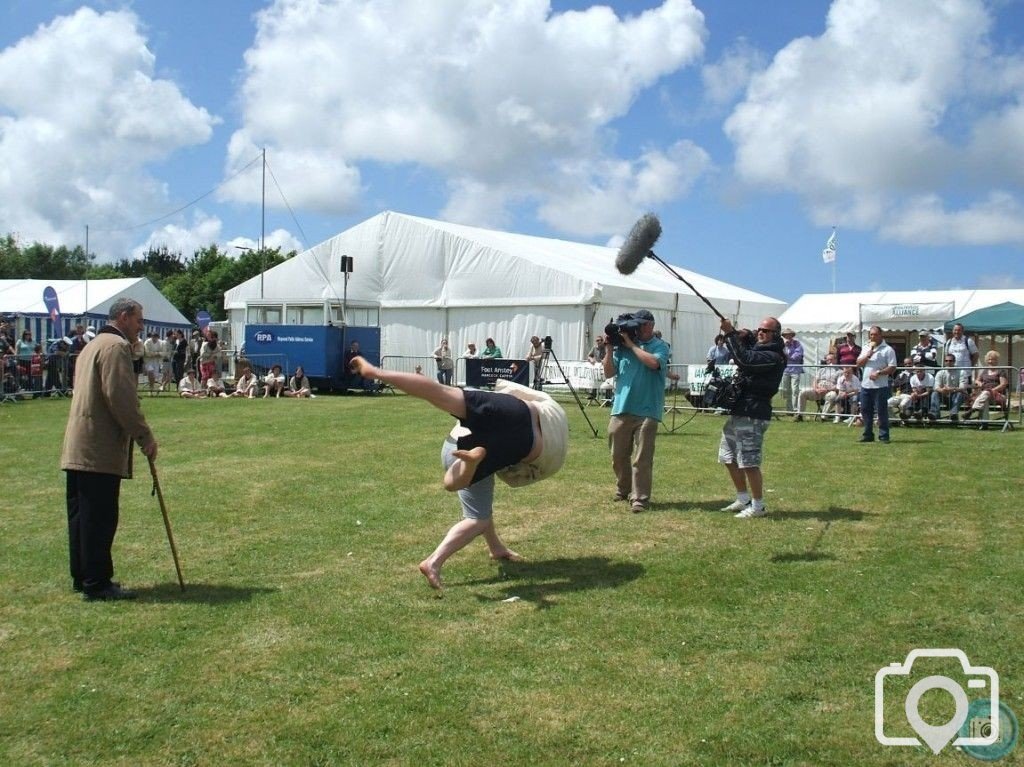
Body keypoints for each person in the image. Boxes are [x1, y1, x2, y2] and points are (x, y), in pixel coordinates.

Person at [347, 355, 568, 593]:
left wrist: (377, 373)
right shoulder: (538, 447)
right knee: (477, 518)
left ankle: (495, 546)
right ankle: (433, 561)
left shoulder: (512, 406)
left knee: (439, 392)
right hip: (512, 444)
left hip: (467, 438)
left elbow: (433, 391)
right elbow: (452, 485)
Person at [60, 298, 158, 601]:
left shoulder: (92, 345)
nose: (141, 327)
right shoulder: (115, 347)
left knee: (81, 516)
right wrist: (144, 435)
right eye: (139, 320)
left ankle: (84, 576)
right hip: (98, 447)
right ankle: (98, 582)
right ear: (125, 317)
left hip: (79, 444)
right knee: (99, 516)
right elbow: (121, 398)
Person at [602, 309, 670, 513]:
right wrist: (609, 349)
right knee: (617, 454)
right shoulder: (622, 347)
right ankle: (623, 489)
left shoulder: (659, 346)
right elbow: (609, 372)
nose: (636, 329)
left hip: (647, 409)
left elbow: (653, 363)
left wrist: (632, 345)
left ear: (650, 325)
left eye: (640, 325)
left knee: (642, 458)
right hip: (622, 407)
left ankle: (639, 498)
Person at [717, 317, 786, 519]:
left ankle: (758, 506)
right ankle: (743, 498)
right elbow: (747, 347)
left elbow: (745, 359)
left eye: (766, 330)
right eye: (759, 330)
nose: (761, 333)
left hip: (754, 413)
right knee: (728, 456)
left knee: (749, 461)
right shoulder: (760, 347)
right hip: (740, 409)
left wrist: (730, 334)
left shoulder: (773, 355)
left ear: (776, 334)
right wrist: (742, 334)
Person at [856, 326, 898, 443]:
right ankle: (868, 434)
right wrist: (867, 355)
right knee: (865, 410)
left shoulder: (888, 350)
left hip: (880, 386)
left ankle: (884, 436)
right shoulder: (866, 348)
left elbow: (892, 367)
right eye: (871, 335)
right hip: (866, 385)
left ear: (881, 335)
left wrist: (879, 372)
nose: (872, 337)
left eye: (875, 334)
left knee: (881, 411)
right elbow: (858, 364)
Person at [966, 350, 1008, 428]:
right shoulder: (985, 371)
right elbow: (977, 380)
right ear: (986, 360)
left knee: (986, 393)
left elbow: (1003, 384)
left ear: (997, 360)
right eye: (989, 359)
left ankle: (972, 410)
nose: (991, 361)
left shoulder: (1001, 371)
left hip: (998, 394)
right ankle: (984, 424)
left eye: (993, 359)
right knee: (985, 398)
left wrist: (992, 391)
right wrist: (979, 383)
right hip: (985, 395)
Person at [795, 353, 837, 420]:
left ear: (835, 360)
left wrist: (827, 390)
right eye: (828, 360)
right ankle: (799, 415)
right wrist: (816, 389)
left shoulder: (840, 371)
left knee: (833, 395)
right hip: (818, 391)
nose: (829, 361)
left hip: (829, 391)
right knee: (803, 392)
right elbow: (815, 380)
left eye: (831, 360)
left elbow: (839, 386)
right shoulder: (821, 370)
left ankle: (823, 417)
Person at [932, 353, 969, 422]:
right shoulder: (940, 372)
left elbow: (963, 387)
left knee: (960, 393)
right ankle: (934, 414)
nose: (948, 362)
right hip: (944, 394)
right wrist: (942, 390)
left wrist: (951, 389)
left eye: (950, 361)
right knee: (935, 393)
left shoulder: (961, 372)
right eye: (946, 361)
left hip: (956, 395)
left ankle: (953, 414)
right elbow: (936, 387)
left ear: (954, 362)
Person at [780, 328, 804, 413]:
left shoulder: (797, 344)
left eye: (789, 335)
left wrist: (788, 357)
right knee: (786, 390)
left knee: (795, 389)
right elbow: (780, 355)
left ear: (792, 335)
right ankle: (789, 409)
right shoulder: (782, 345)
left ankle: (795, 409)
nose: (788, 336)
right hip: (785, 370)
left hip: (795, 369)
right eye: (786, 335)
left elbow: (799, 354)